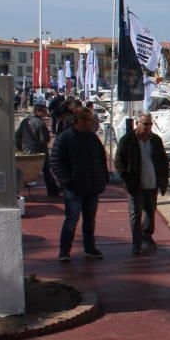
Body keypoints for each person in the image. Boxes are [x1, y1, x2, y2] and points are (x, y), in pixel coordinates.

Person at [50, 106, 108, 261]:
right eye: (90, 120)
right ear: (79, 121)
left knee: (90, 221)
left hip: (93, 186)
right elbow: (55, 162)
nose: (92, 123)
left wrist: (103, 178)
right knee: (72, 219)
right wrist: (67, 182)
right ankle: (64, 251)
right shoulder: (65, 138)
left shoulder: (92, 138)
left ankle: (90, 248)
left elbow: (102, 159)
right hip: (74, 188)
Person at [115, 114, 170, 255]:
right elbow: (119, 161)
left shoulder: (156, 140)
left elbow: (163, 160)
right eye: (145, 124)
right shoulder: (127, 140)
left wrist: (163, 178)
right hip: (135, 184)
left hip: (152, 183)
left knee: (150, 212)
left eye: (150, 124)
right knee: (136, 214)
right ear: (137, 123)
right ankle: (136, 243)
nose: (148, 127)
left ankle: (147, 236)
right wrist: (125, 178)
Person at [15, 103, 59, 196]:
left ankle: (20, 190)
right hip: (40, 150)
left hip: (27, 149)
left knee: (26, 170)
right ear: (38, 111)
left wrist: (20, 147)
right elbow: (45, 139)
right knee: (46, 170)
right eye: (44, 111)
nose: (46, 113)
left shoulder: (25, 121)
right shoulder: (39, 123)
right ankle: (52, 191)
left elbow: (18, 135)